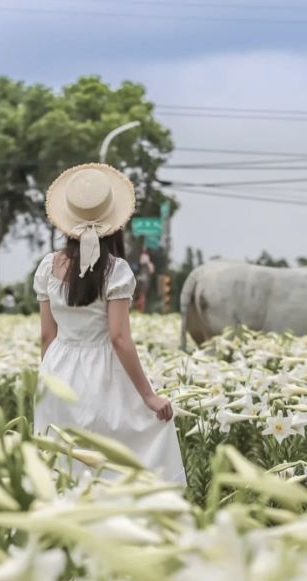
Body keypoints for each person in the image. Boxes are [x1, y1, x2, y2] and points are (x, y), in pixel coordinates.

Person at [33, 163, 187, 486]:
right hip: (102, 371)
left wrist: (48, 380)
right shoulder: (115, 270)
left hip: (56, 371)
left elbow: (47, 336)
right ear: (114, 223)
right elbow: (119, 339)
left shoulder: (48, 266)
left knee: (61, 460)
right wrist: (148, 396)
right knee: (114, 459)